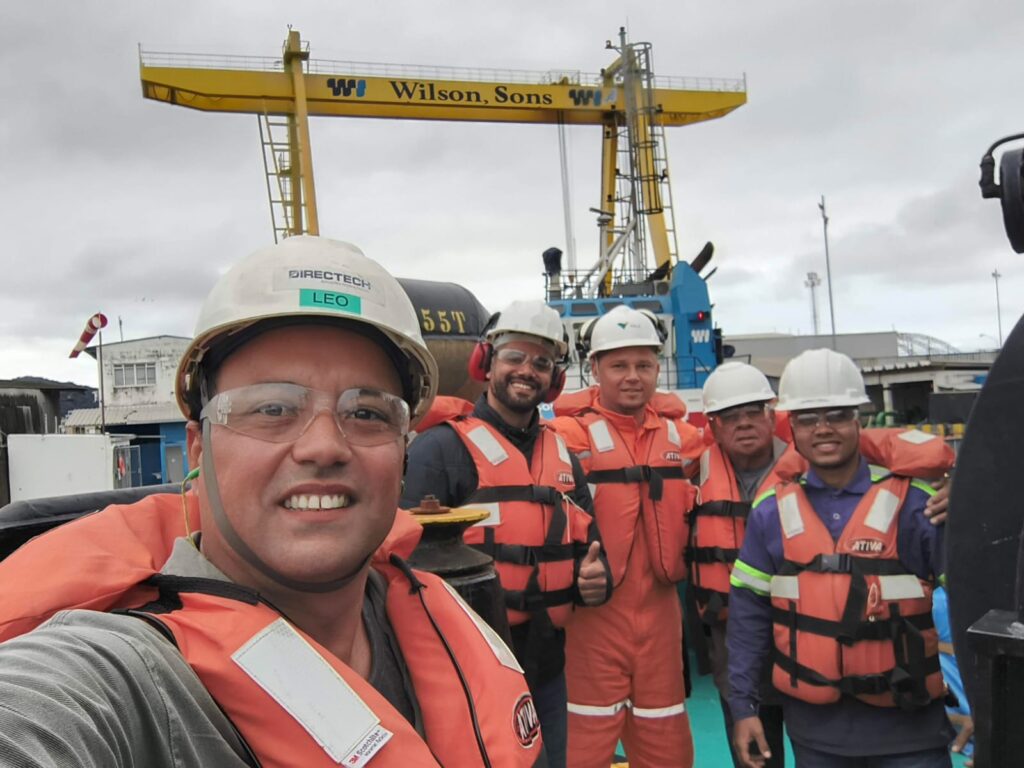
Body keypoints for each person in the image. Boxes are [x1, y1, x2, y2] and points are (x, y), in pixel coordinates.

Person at [0, 236, 545, 767]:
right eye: (272, 408)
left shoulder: (440, 615)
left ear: (403, 452)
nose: (324, 447)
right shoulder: (121, 681)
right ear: (199, 448)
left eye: (366, 413)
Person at [401, 299, 609, 768]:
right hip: (468, 668)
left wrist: (597, 582)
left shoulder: (565, 458)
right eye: (515, 356)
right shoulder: (440, 450)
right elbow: (398, 569)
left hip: (547, 666)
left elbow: (594, 555)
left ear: (554, 379)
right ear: (487, 362)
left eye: (542, 363)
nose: (527, 371)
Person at [728, 348, 956, 768]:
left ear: (859, 420)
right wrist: (743, 707)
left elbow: (975, 603)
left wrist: (987, 705)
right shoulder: (770, 513)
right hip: (816, 738)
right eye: (808, 419)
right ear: (792, 427)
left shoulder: (920, 506)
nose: (823, 429)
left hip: (912, 735)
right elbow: (748, 616)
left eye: (836, 415)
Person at [549, 304, 704, 768]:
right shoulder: (564, 436)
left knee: (668, 747)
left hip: (662, 620)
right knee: (581, 748)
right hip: (591, 620)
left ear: (657, 368)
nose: (633, 376)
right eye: (619, 365)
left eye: (644, 365)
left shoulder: (685, 440)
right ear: (594, 369)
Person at [690, 361, 789, 768]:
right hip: (731, 634)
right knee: (753, 755)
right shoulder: (693, 471)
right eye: (731, 416)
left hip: (806, 631)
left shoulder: (810, 464)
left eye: (753, 412)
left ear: (772, 415)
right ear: (713, 426)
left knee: (823, 747)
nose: (744, 423)